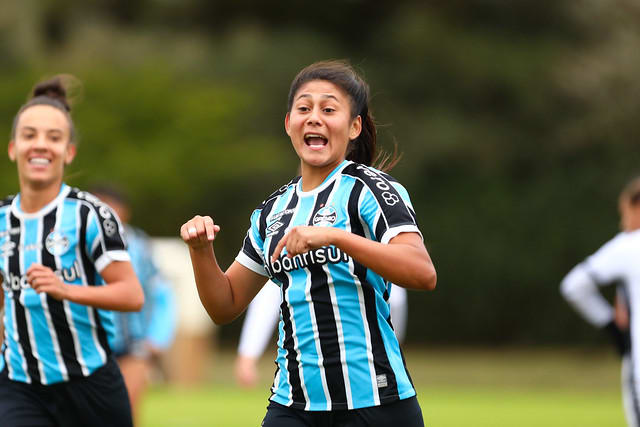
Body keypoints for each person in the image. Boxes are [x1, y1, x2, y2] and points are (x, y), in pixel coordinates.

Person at [181, 60, 436, 426]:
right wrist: (201, 250)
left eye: (328, 109)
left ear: (354, 127)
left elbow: (422, 272)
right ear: (289, 124)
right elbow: (225, 305)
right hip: (292, 406)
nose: (314, 117)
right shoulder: (272, 211)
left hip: (375, 403)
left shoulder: (370, 189)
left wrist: (336, 237)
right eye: (304, 108)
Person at [0, 76, 144, 427]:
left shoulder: (89, 214)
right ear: (13, 147)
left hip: (90, 384)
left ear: (69, 151)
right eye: (30, 135)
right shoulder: (2, 219)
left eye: (54, 137)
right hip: (20, 386)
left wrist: (66, 290)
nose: (41, 145)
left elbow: (132, 294)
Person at [91, 186, 177, 424]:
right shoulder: (76, 244)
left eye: (110, 207)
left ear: (124, 211)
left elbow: (162, 294)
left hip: (134, 346)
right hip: (91, 346)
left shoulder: (140, 246)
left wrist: (157, 337)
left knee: (126, 410)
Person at [560, 176, 640, 427]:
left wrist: (612, 328)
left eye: (624, 213)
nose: (622, 222)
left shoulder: (629, 246)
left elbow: (574, 285)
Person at [234, 280, 408, 388]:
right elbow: (266, 299)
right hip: (307, 371)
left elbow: (398, 296)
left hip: (363, 366)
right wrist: (248, 356)